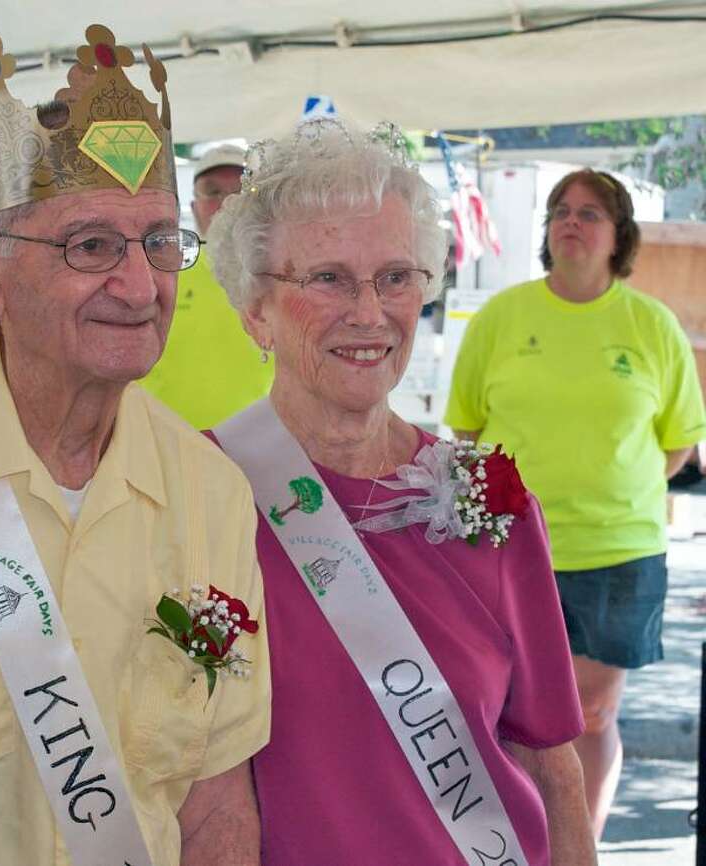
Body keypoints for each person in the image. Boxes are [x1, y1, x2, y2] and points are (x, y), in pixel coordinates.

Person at [0, 24, 270, 866]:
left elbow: (217, 801)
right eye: (92, 245)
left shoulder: (209, 490)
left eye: (158, 242)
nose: (141, 284)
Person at [206, 119, 596, 865]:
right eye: (327, 278)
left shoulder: (490, 500)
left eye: (395, 276)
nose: (368, 311)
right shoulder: (200, 493)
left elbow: (552, 766)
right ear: (255, 308)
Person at [446, 167, 706, 838]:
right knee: (507, 714)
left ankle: (575, 846)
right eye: (561, 209)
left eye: (590, 212)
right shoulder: (503, 317)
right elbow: (466, 430)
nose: (571, 220)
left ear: (619, 235)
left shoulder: (652, 326)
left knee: (588, 716)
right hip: (505, 551)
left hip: (616, 552)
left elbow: (678, 446)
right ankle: (517, 842)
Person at [139, 143, 272, 428]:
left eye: (239, 190)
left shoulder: (281, 279)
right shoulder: (160, 275)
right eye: (213, 192)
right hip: (164, 442)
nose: (226, 202)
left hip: (260, 445)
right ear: (191, 207)